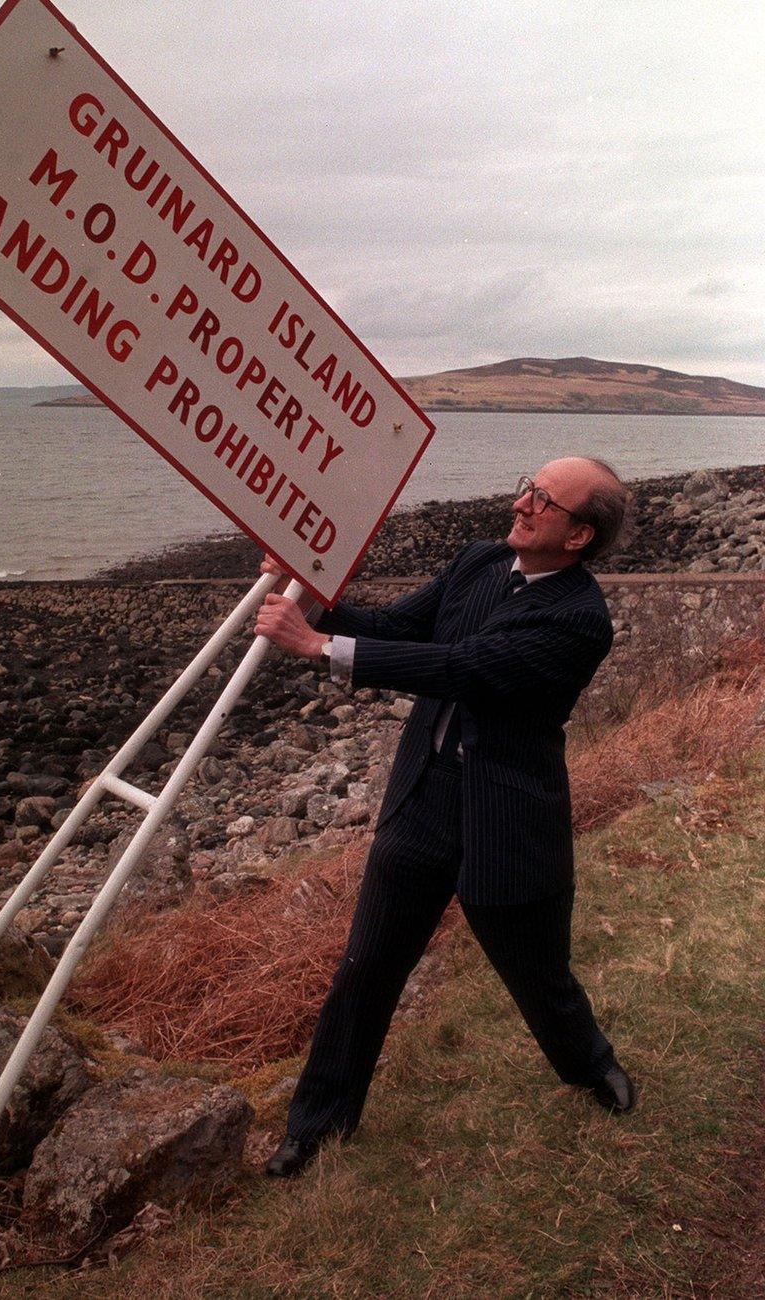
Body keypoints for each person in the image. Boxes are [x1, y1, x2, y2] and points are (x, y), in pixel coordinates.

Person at [254, 457, 635, 1178]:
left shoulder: (579, 620)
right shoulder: (478, 561)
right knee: (365, 970)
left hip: (508, 817)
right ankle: (317, 1127)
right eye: (527, 484)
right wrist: (310, 591)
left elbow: (462, 666)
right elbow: (397, 627)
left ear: (579, 536)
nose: (519, 502)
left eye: (542, 499)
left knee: (539, 974)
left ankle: (591, 1068)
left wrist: (317, 646)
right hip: (423, 801)